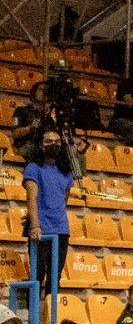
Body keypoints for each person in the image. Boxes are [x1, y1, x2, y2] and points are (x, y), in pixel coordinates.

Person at [24, 126, 74, 301]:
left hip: (61, 230)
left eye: (56, 141)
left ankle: (49, 319)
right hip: (41, 229)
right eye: (48, 141)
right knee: (37, 276)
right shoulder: (33, 167)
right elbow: (32, 198)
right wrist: (35, 225)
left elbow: (64, 200)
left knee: (55, 278)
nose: (53, 144)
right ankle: (33, 322)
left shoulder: (66, 171)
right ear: (40, 144)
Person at [12, 82, 49, 160]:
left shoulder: (50, 113)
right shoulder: (20, 111)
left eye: (46, 90)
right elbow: (15, 134)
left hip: (47, 146)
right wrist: (30, 128)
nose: (44, 92)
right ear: (33, 92)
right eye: (41, 89)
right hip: (27, 146)